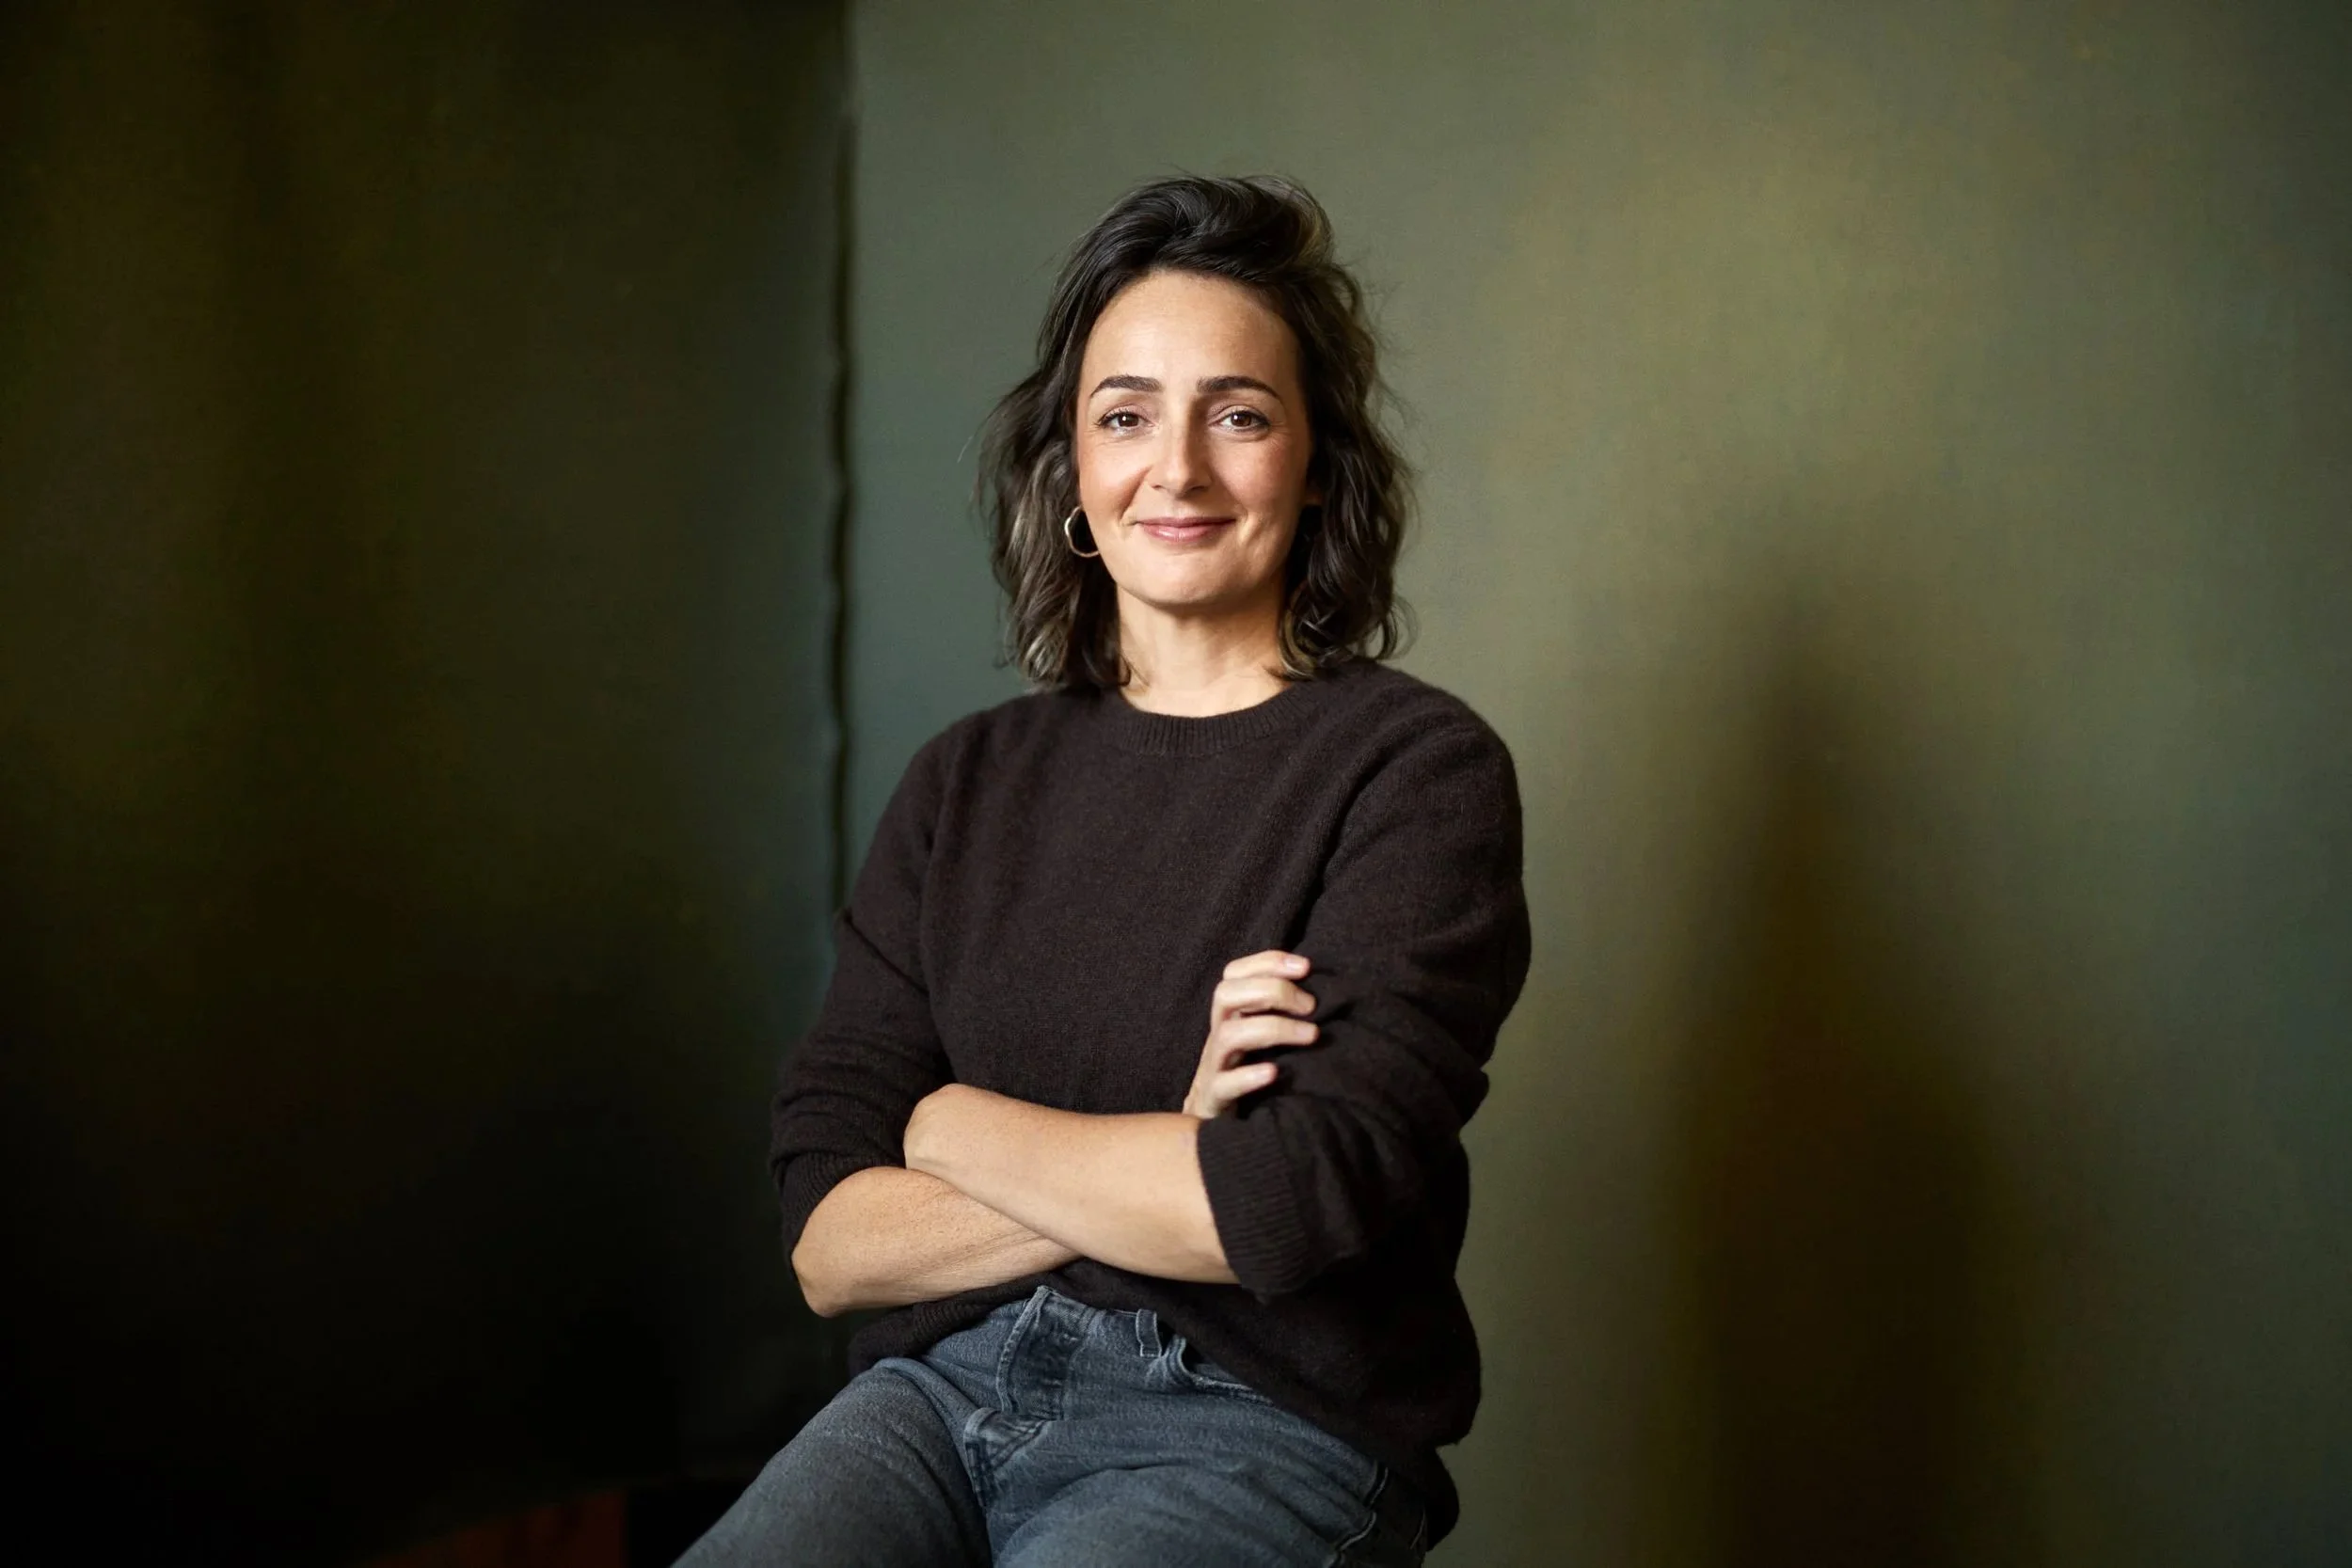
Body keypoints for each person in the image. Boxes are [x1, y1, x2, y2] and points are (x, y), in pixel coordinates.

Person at [678, 174, 1529, 1567]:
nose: (1176, 469)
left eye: (1238, 414)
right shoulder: (963, 783)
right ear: (1072, 466)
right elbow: (832, 1244)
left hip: (1259, 1421)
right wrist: (1165, 1137)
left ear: (1317, 461)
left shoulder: (1416, 773)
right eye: (1125, 416)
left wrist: (948, 1120)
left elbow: (1269, 1210)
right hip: (936, 1396)